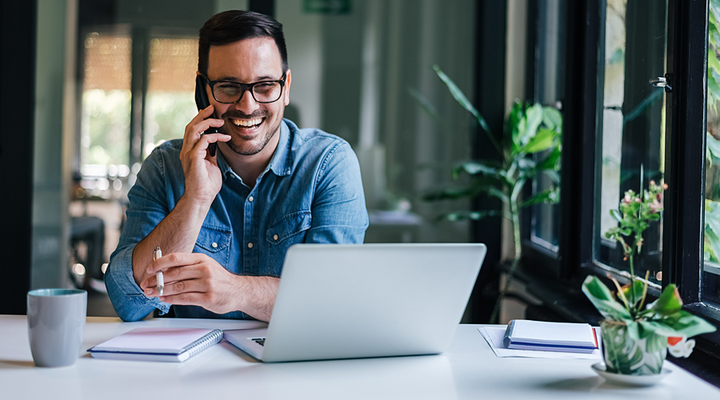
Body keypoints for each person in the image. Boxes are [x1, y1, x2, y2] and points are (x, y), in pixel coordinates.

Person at [105, 10, 368, 322]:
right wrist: (196, 200)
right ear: (204, 91)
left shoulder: (328, 164)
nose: (248, 105)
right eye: (229, 87)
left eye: (265, 85)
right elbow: (127, 302)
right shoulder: (164, 167)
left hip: (293, 366)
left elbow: (333, 300)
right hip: (191, 368)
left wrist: (235, 291)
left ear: (286, 87)